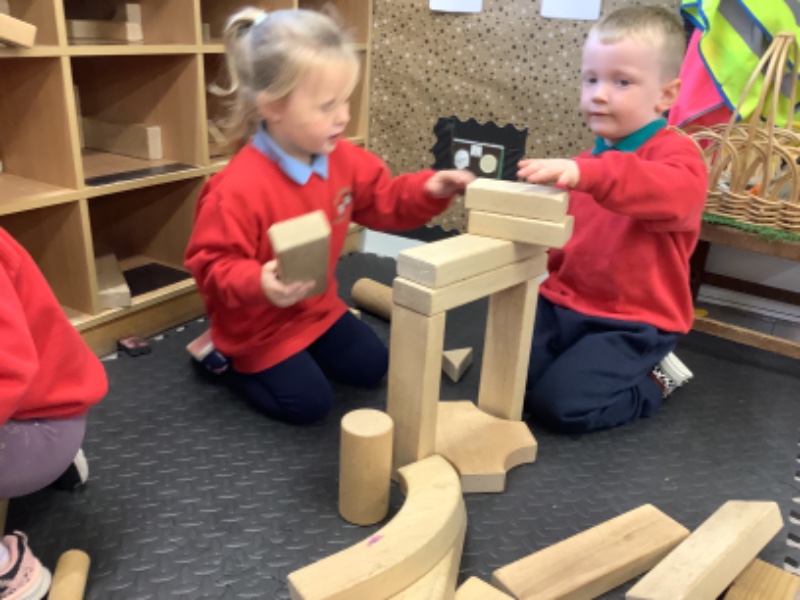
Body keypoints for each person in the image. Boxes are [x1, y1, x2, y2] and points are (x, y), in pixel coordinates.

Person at [184, 8, 474, 425]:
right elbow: (210, 266)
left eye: (345, 101)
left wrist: (428, 190)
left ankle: (299, 351)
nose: (343, 117)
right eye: (327, 106)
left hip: (315, 307)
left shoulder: (343, 159)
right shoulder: (234, 190)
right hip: (255, 326)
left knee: (372, 367)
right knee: (309, 405)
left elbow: (384, 200)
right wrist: (259, 282)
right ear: (273, 106)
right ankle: (218, 358)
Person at [516, 5, 708, 433]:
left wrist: (587, 174)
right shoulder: (583, 166)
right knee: (510, 381)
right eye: (591, 79)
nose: (599, 94)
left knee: (562, 408)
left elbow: (664, 191)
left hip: (632, 320)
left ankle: (658, 379)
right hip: (563, 305)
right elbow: (561, 242)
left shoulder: (676, 156)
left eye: (622, 82)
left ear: (666, 95)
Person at [0, 227, 108, 598]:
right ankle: (54, 463)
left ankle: (9, 569)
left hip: (41, 422)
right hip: (39, 410)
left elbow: (8, 373)